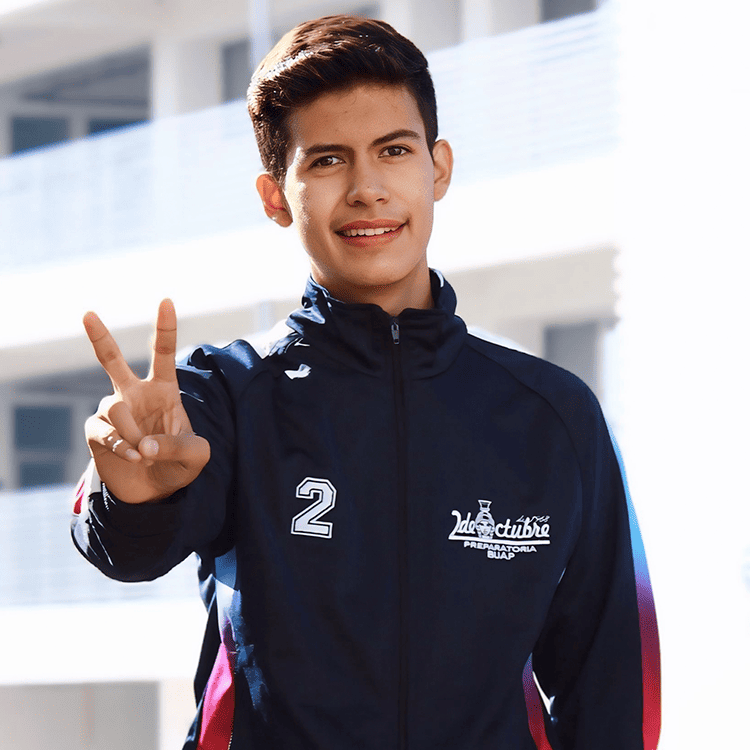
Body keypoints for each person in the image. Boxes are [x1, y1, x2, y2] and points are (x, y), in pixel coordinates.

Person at [71, 15, 660, 750]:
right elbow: (127, 552)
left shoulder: (553, 414)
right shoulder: (225, 395)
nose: (367, 189)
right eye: (327, 161)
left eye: (394, 150)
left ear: (438, 168)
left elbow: (612, 680)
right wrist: (133, 494)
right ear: (275, 197)